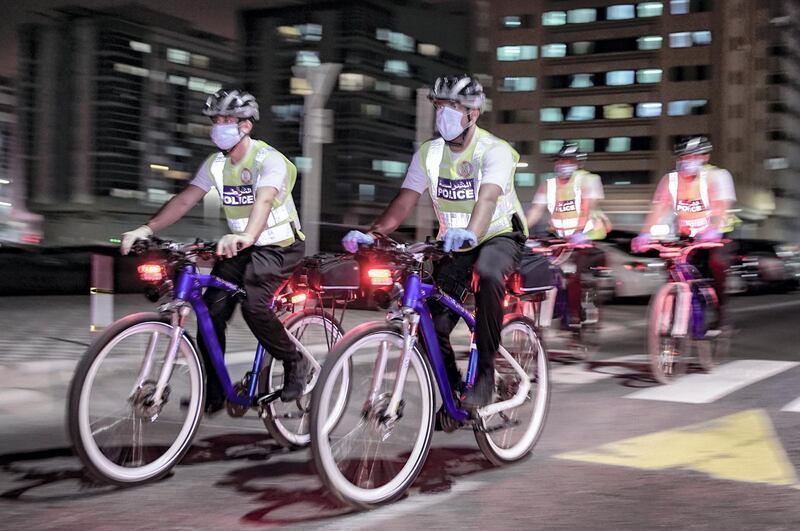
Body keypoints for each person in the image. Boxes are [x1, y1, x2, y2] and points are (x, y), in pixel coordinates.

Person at [342, 74, 528, 411]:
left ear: (473, 112)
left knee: (488, 274)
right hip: (453, 244)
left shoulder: (494, 150)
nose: (444, 112)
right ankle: (455, 392)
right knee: (430, 323)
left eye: (454, 106)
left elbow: (487, 199)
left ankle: (485, 374)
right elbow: (404, 200)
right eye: (440, 105)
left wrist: (472, 230)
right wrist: (374, 233)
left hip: (498, 235)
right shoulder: (428, 154)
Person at [120, 89, 309, 413]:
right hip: (241, 248)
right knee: (211, 313)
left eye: (227, 120)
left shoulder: (269, 159)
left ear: (246, 125)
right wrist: (146, 229)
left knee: (254, 304)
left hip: (279, 248)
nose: (218, 125)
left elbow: (264, 199)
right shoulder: (216, 165)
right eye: (215, 120)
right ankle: (215, 391)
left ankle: (295, 362)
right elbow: (184, 199)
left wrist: (247, 235)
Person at [632, 136, 736, 324]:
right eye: (683, 157)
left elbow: (721, 208)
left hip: (717, 233)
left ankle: (721, 312)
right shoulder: (670, 181)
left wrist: (713, 230)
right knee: (674, 266)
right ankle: (676, 306)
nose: (687, 161)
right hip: (688, 235)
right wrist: (644, 234)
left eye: (693, 156)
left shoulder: (717, 176)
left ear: (705, 157)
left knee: (716, 263)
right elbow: (658, 209)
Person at [525, 143, 608, 326]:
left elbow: (588, 206)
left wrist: (579, 234)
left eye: (569, 161)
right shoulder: (548, 186)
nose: (564, 164)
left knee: (573, 277)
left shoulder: (588, 180)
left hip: (585, 237)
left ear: (577, 163)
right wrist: (520, 231)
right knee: (540, 270)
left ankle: (575, 324)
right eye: (561, 161)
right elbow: (535, 211)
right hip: (558, 239)